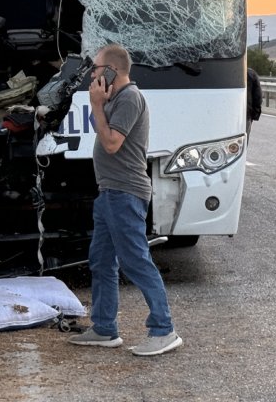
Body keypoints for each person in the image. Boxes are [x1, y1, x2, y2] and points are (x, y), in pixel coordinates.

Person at [68, 43, 183, 356]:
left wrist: (94, 104)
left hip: (125, 193)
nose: (92, 73)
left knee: (136, 260)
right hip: (109, 193)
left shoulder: (131, 98)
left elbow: (111, 143)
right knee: (102, 261)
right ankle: (105, 328)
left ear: (111, 71)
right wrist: (101, 104)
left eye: (96, 68)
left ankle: (164, 329)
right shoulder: (116, 98)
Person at [247, 66, 262, 136]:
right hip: (246, 113)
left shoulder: (225, 72)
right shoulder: (251, 73)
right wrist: (255, 113)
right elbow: (257, 96)